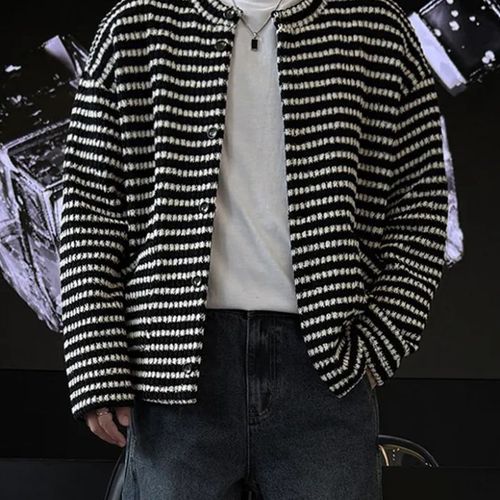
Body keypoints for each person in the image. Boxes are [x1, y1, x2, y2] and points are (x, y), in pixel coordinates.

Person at [58, 0, 449, 497]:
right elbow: (88, 206)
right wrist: (97, 362)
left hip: (324, 364)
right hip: (173, 365)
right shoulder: (138, 24)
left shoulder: (376, 27)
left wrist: (376, 345)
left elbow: (421, 200)